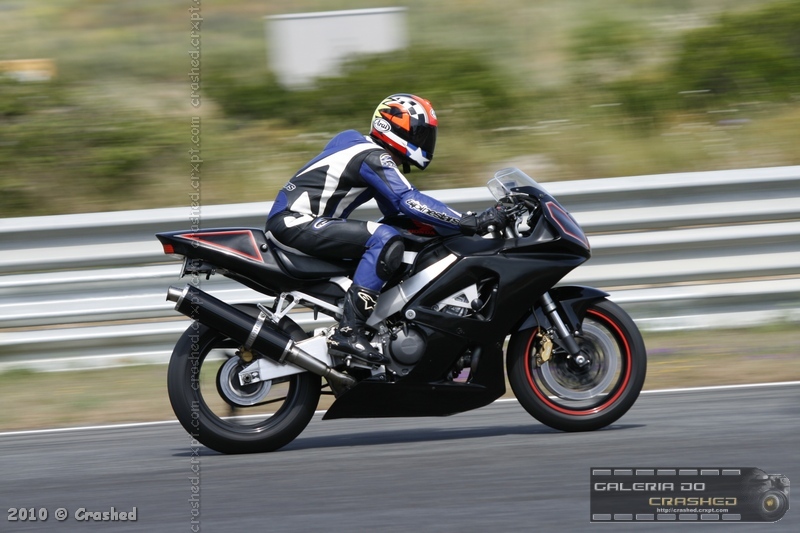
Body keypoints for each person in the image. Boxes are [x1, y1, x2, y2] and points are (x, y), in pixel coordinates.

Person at [266, 93, 507, 364]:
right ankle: (348, 332)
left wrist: (451, 228)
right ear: (393, 126)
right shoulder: (373, 157)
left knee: (395, 233)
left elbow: (397, 212)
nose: (425, 141)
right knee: (384, 238)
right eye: (419, 133)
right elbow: (408, 200)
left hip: (298, 223)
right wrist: (469, 221)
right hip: (295, 222)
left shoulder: (355, 144)